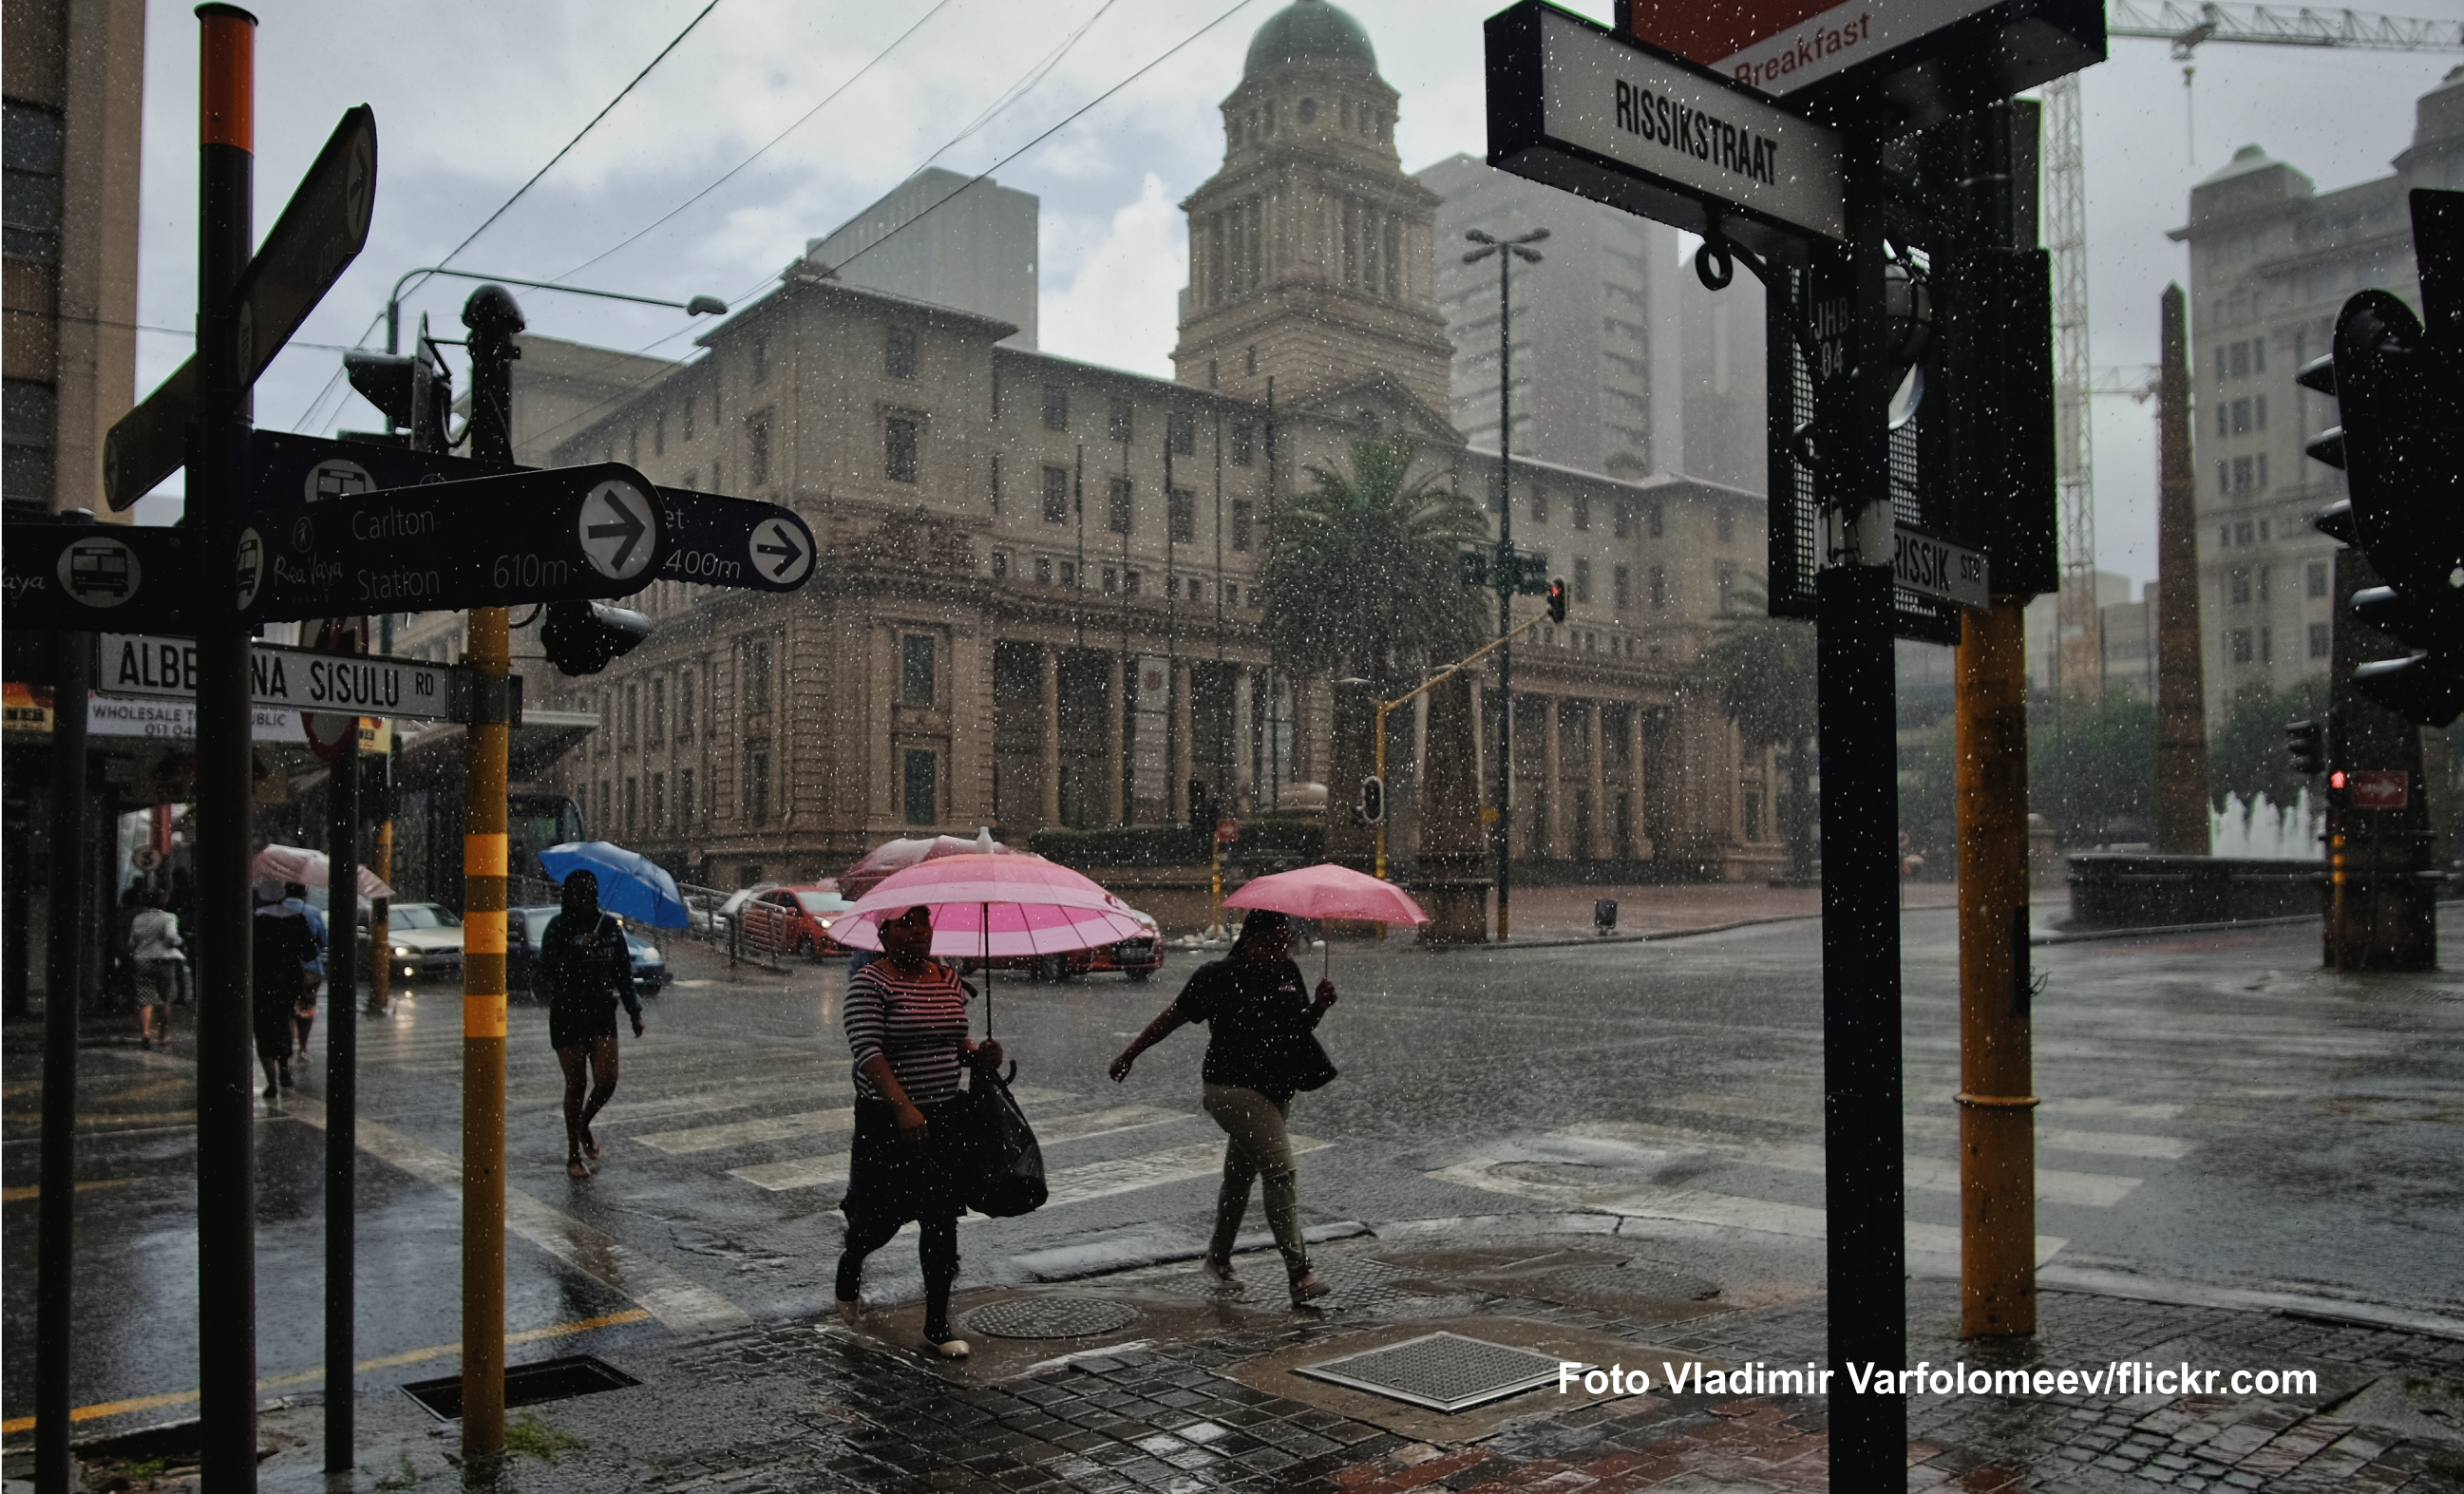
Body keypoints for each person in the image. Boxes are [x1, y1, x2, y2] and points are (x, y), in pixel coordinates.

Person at [1110, 908, 1337, 1307]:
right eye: (1272, 942)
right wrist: (1131, 1053)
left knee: (1240, 1176)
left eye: (1285, 942)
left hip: (1278, 1089)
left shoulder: (1288, 974)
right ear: (1251, 940)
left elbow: (1296, 1028)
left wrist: (1317, 1007)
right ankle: (1299, 1274)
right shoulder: (1217, 975)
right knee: (1280, 1170)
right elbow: (1173, 1017)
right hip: (1230, 1088)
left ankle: (1218, 1257)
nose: (1281, 950)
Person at [836, 904, 1003, 1359]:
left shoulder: (948, 980)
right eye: (904, 925)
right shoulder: (870, 983)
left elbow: (953, 1040)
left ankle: (936, 1323)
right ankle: (852, 1260)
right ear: (883, 934)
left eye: (922, 923)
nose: (916, 933)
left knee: (940, 1218)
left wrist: (979, 1055)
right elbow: (868, 1052)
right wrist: (904, 1109)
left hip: (944, 1118)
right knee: (880, 1220)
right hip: (886, 1122)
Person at [539, 870, 644, 1179]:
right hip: (567, 1013)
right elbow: (547, 970)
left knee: (607, 1080)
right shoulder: (558, 928)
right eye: (581, 894)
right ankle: (573, 1153)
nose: (588, 900)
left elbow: (623, 973)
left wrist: (634, 1011)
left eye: (592, 894)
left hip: (601, 1011)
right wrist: (574, 952)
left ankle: (583, 1123)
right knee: (577, 1083)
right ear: (569, 896)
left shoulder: (609, 927)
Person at [252, 878, 320, 1098]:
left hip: (260, 981)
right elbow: (309, 952)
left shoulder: (256, 920)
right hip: (289, 979)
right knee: (284, 1021)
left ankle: (271, 1080)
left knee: (263, 1029)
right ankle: (284, 1066)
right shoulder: (296, 919)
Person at [126, 886, 183, 1049]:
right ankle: (163, 1035)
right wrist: (179, 941)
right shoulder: (168, 918)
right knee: (165, 998)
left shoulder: (138, 919)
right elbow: (171, 937)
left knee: (145, 998)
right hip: (163, 959)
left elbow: (132, 941)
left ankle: (145, 1033)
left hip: (142, 959)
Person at [282, 881, 329, 1058]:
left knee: (288, 1010)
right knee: (306, 1009)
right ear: (304, 893)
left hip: (284, 969)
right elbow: (324, 940)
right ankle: (303, 1048)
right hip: (311, 969)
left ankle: (289, 1047)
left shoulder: (277, 910)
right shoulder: (313, 912)